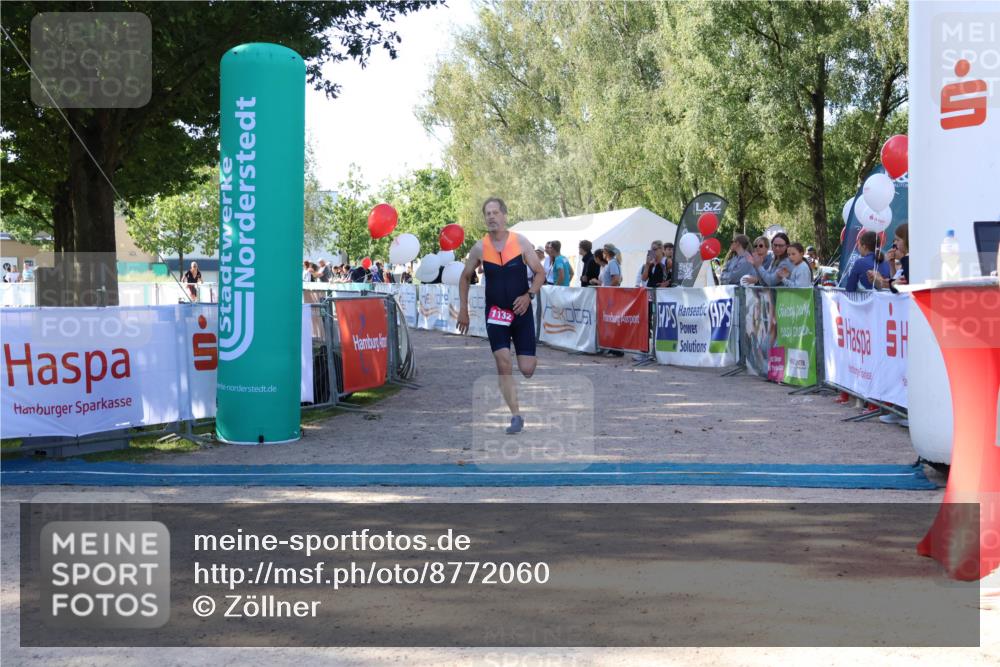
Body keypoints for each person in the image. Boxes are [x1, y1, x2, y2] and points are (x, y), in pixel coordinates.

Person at [457, 197, 545, 435]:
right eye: (488, 213)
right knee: (503, 362)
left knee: (527, 369)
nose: (492, 217)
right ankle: (516, 415)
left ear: (505, 216)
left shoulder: (521, 242)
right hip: (496, 314)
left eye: (496, 212)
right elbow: (464, 277)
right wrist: (464, 310)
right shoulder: (479, 247)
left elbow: (540, 273)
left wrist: (529, 295)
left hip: (521, 311)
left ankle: (524, 357)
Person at [871, 223, 909, 293]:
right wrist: (891, 265)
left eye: (898, 240)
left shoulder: (908, 261)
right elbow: (897, 280)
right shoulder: (905, 261)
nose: (896, 244)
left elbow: (901, 285)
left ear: (906, 240)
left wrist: (890, 284)